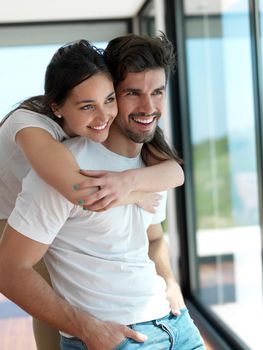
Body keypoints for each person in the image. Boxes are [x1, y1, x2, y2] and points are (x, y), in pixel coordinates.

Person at [0, 33, 204, 349]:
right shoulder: (53, 157)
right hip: (8, 213)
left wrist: (171, 284)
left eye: (158, 92)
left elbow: (156, 228)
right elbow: (12, 271)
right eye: (133, 93)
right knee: (45, 302)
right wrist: (88, 330)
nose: (148, 107)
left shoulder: (149, 156)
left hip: (173, 322)